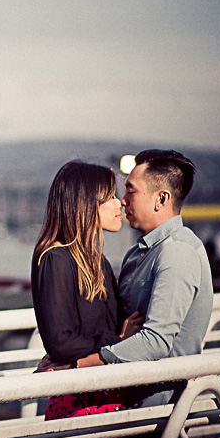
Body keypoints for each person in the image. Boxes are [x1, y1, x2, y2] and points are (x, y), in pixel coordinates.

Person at [75, 149, 213, 412]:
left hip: (161, 409)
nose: (122, 200)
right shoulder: (137, 254)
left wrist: (82, 364)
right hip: (127, 396)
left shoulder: (178, 252)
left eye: (131, 190)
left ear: (161, 198)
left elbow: (157, 340)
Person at [31, 160, 142, 422]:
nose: (120, 203)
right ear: (86, 204)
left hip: (109, 395)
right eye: (110, 198)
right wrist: (119, 342)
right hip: (78, 404)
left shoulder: (97, 261)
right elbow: (60, 343)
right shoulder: (54, 258)